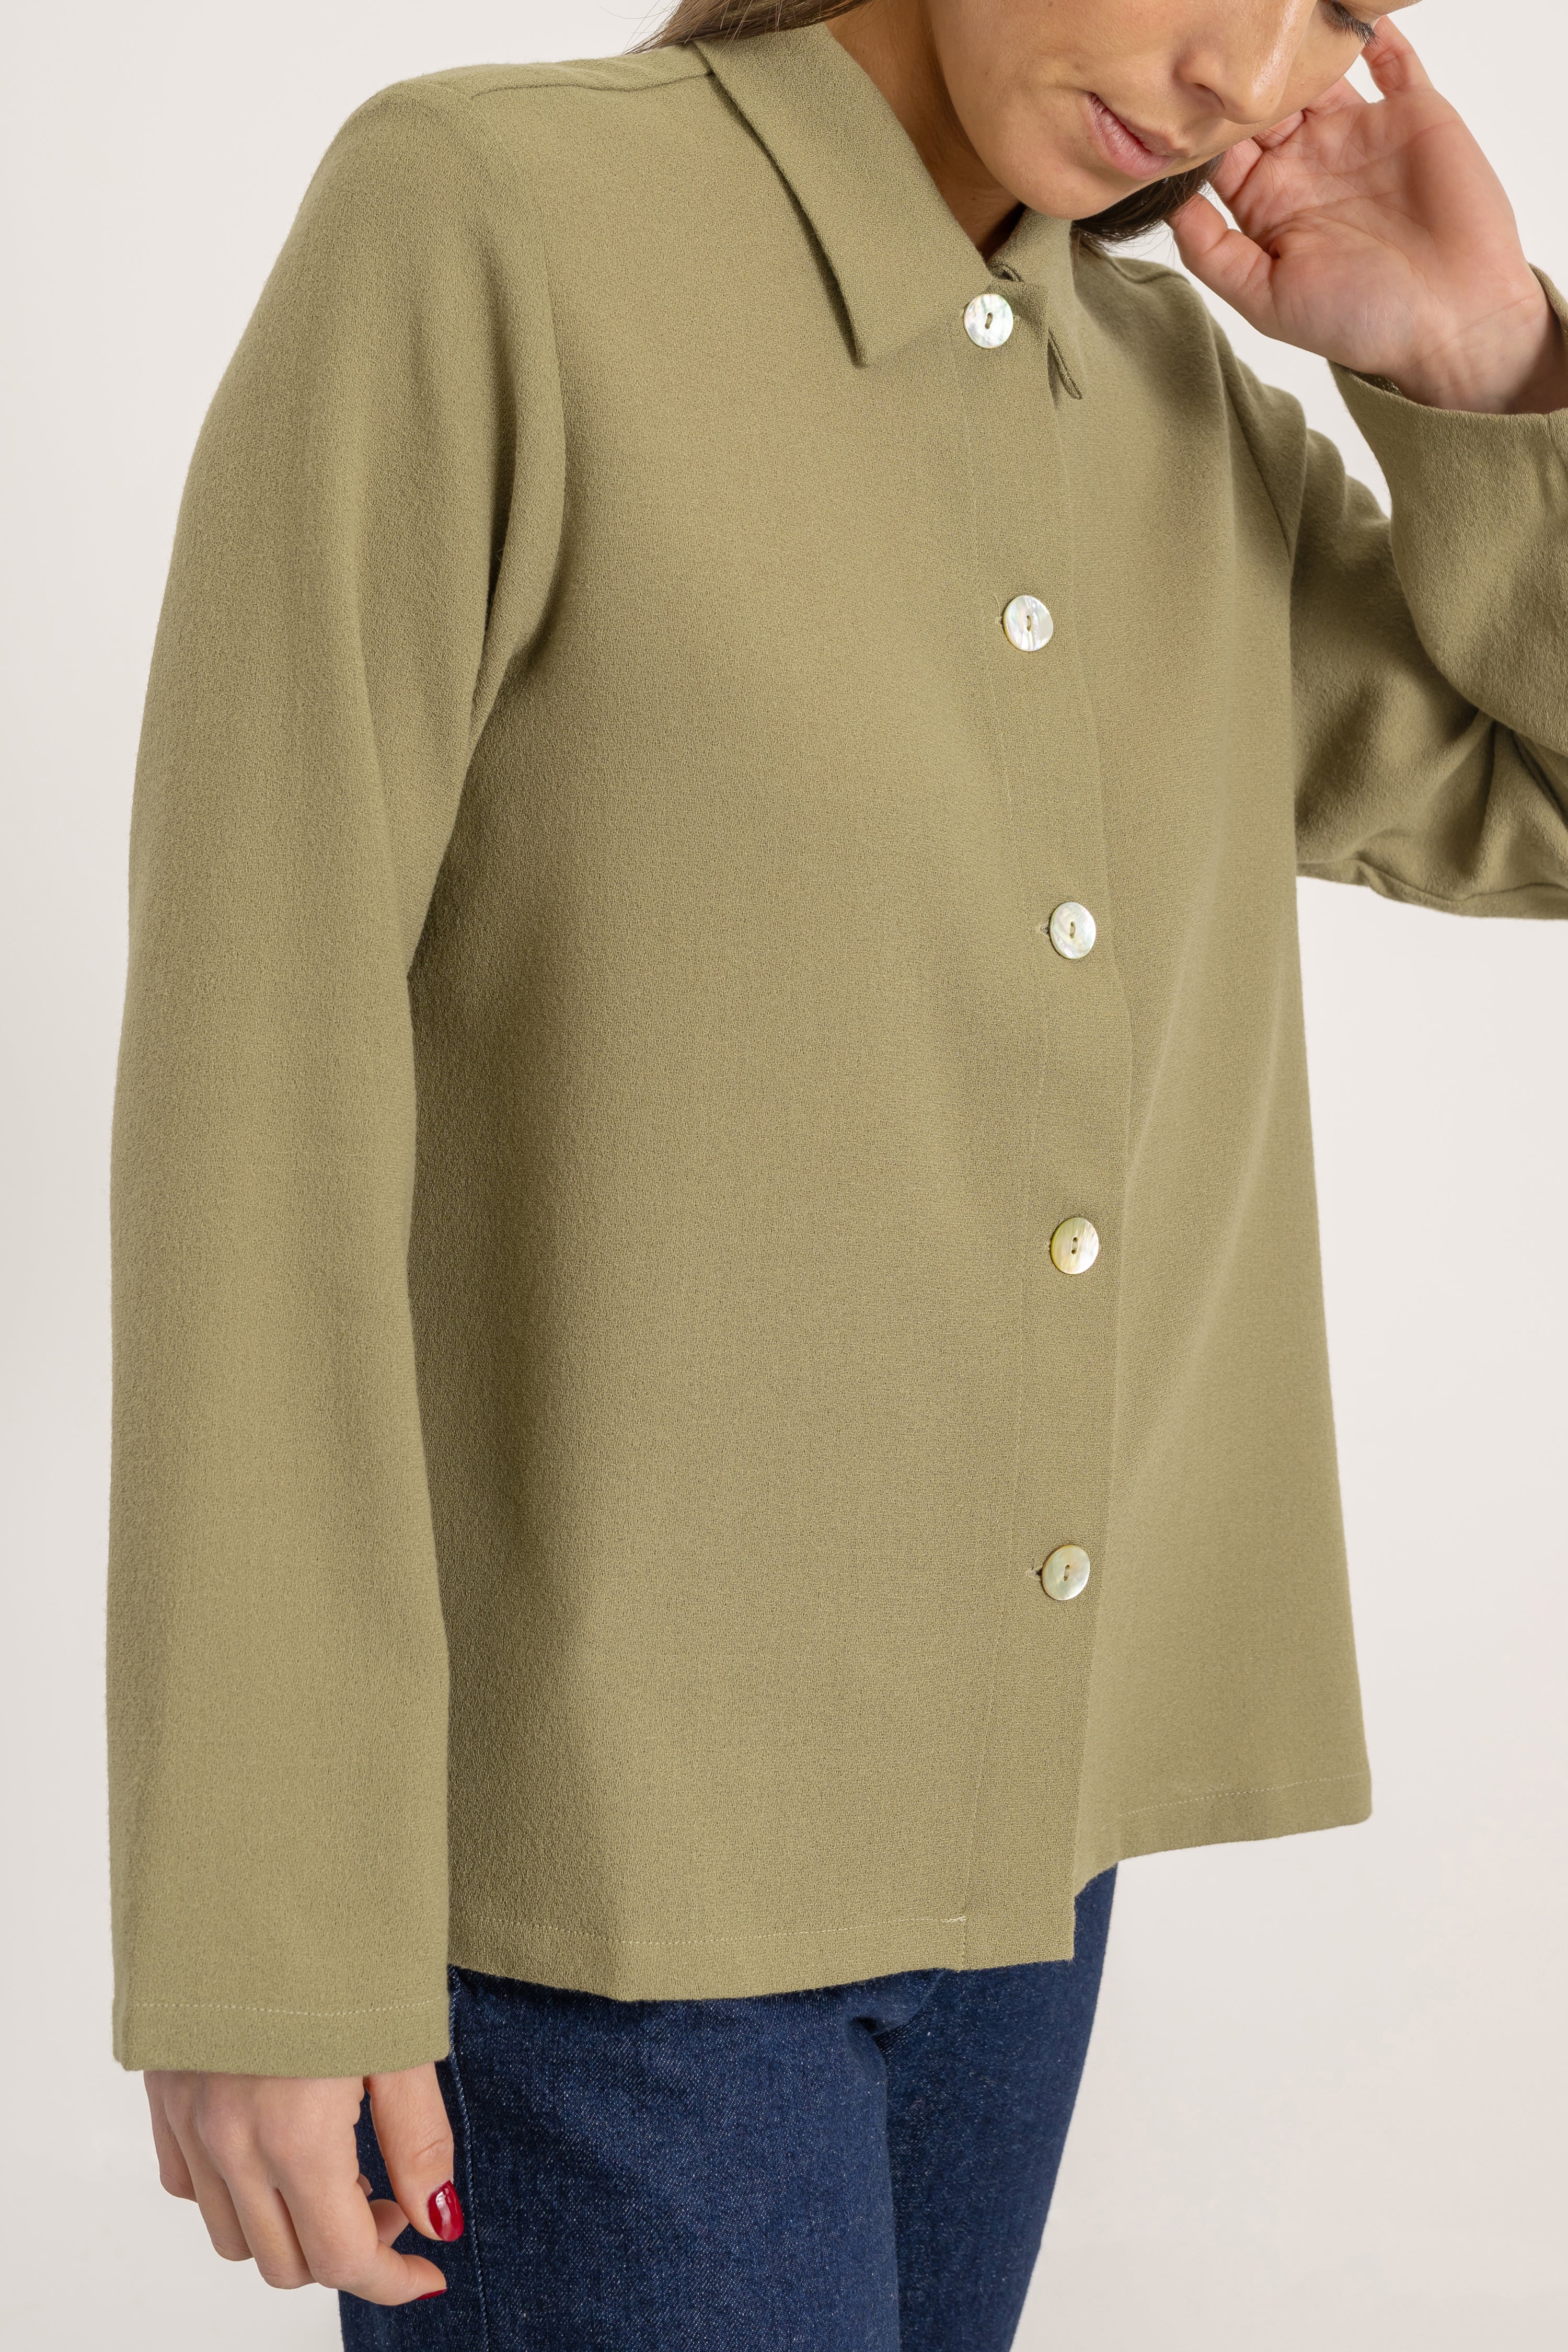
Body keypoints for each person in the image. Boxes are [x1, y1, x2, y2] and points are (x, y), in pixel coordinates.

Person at [106, 0, 1567, 2343]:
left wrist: (1487, 367)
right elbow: (255, 1091)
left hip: (1029, 1864)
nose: (1239, 65)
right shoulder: (485, 222)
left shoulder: (1167, 397)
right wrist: (262, 1923)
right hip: (588, 1916)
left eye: (1329, 0)